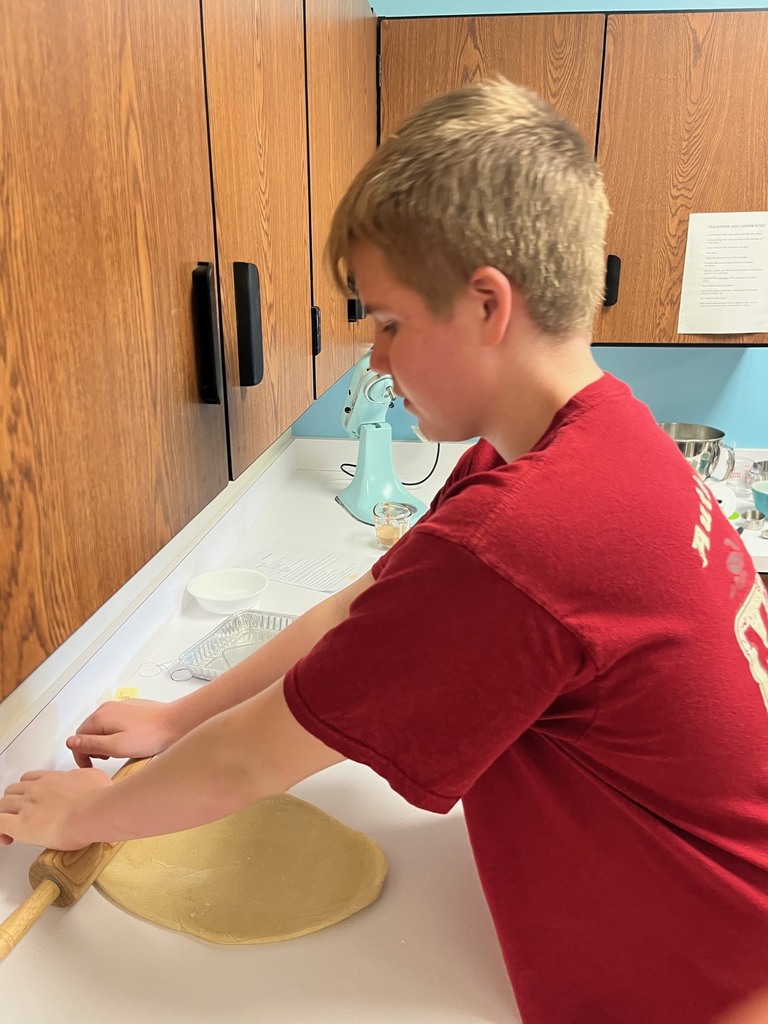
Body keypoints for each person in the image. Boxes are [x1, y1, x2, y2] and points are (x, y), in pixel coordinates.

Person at [2, 78, 768, 1024]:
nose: (374, 357)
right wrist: (175, 718)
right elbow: (354, 608)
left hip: (706, 985)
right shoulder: (594, 442)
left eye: (390, 320)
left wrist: (84, 816)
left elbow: (252, 766)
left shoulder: (524, 538)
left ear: (489, 304)